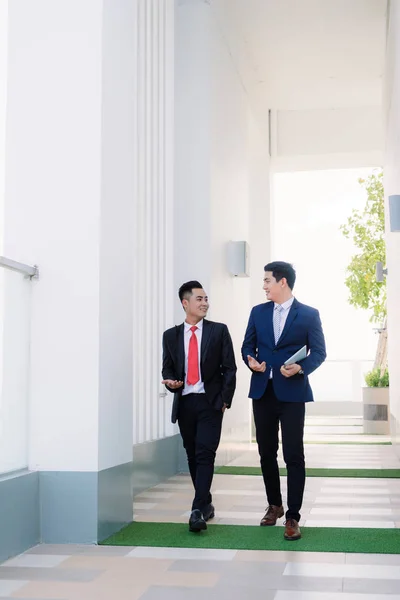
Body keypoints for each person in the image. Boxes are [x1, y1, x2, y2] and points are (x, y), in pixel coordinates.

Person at [241, 262, 326, 540]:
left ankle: (293, 516)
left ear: (283, 282)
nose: (264, 286)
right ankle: (274, 505)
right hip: (263, 391)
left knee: (293, 455)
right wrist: (250, 361)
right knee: (266, 452)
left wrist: (300, 368)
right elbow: (247, 347)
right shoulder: (258, 312)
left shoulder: (309, 315)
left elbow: (319, 352)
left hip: (292, 394)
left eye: (267, 281)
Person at [162, 281, 237, 532]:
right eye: (199, 299)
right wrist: (171, 382)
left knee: (206, 453)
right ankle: (205, 503)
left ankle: (196, 509)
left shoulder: (219, 331)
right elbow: (168, 369)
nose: (205, 303)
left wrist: (224, 401)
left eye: (206, 299)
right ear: (185, 303)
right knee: (193, 454)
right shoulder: (170, 336)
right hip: (185, 403)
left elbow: (230, 368)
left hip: (210, 402)